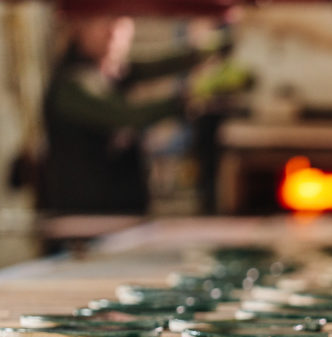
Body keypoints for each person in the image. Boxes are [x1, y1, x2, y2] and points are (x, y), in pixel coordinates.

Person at [41, 15, 227, 215]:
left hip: (121, 209)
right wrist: (188, 98)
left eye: (120, 21)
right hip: (85, 217)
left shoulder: (110, 70)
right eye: (98, 21)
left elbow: (157, 66)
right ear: (76, 28)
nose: (112, 31)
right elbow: (129, 115)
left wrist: (212, 50)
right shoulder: (71, 85)